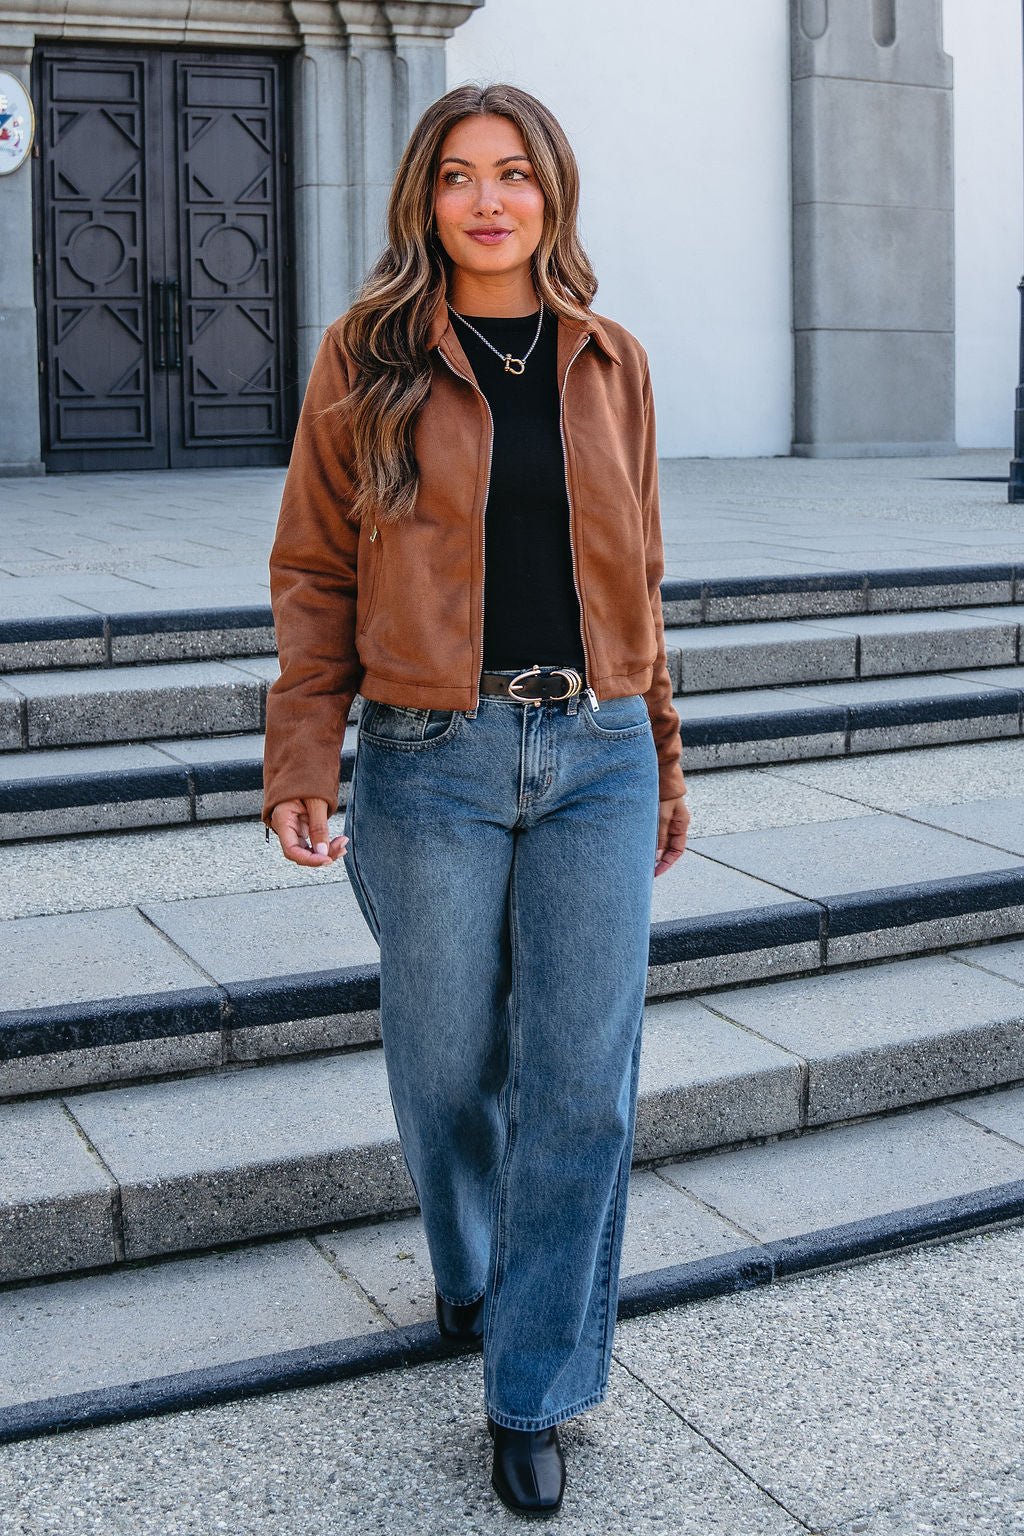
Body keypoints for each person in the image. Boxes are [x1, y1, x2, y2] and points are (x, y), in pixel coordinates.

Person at [262, 81, 690, 1519]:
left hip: (597, 754)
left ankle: (536, 1383)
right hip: (429, 756)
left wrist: (664, 754)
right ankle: (472, 1268)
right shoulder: (366, 355)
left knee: (582, 1083)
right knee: (446, 1065)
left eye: (514, 173)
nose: (489, 199)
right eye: (459, 175)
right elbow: (315, 568)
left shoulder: (612, 361)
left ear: (552, 191)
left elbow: (641, 578)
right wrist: (302, 750)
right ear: (424, 199)